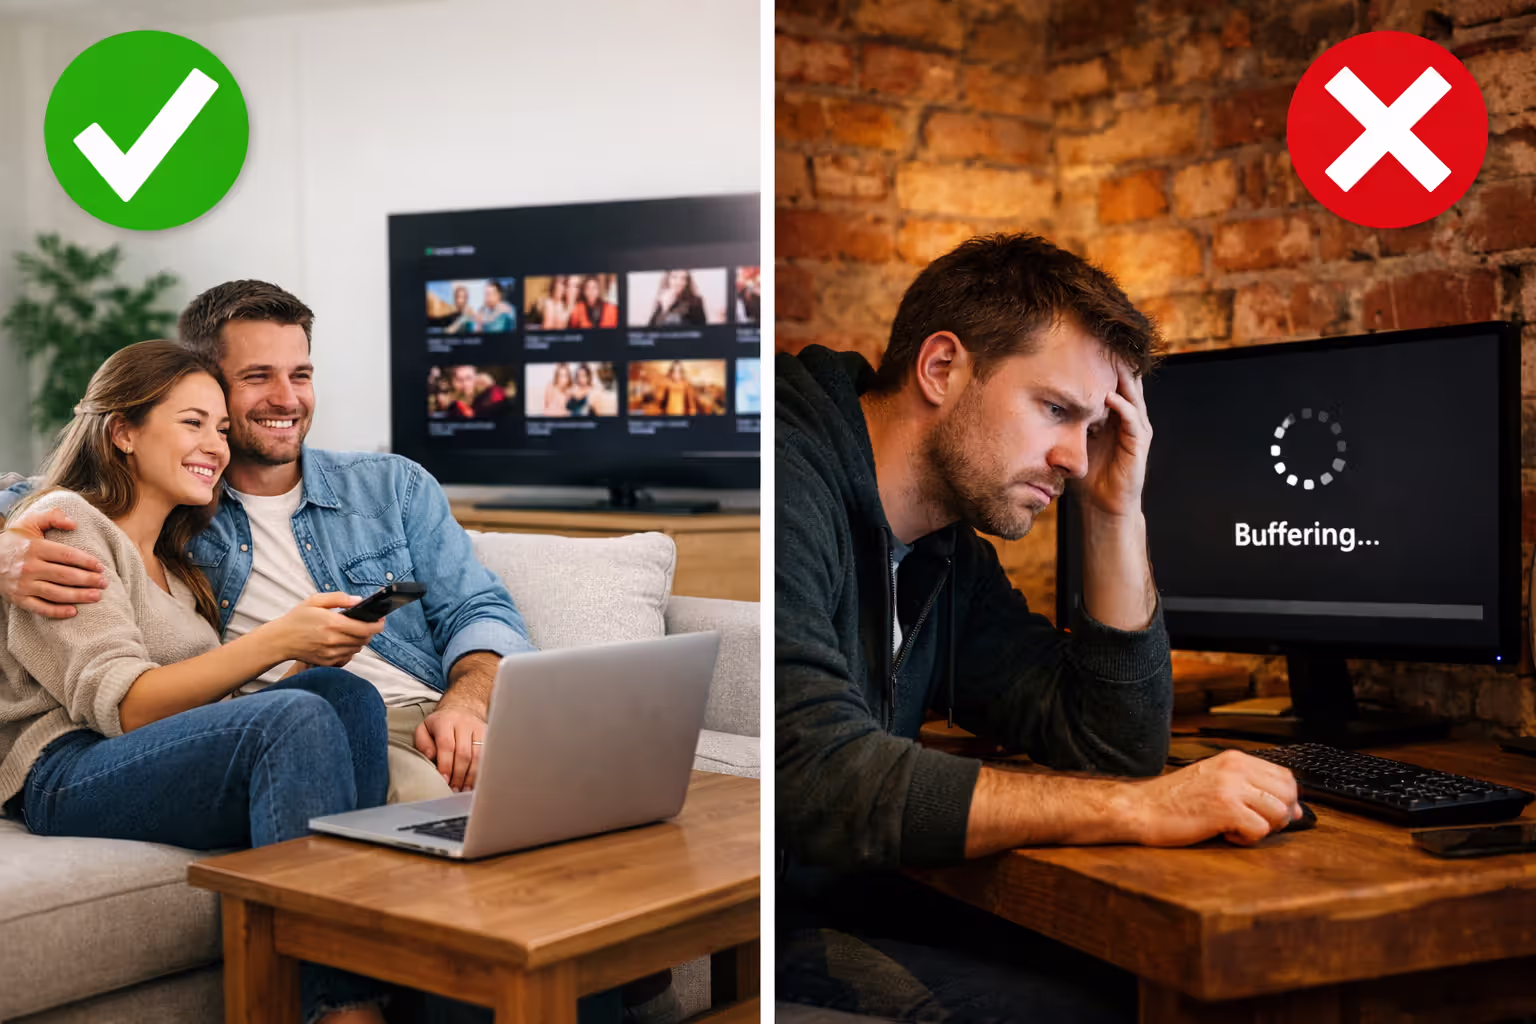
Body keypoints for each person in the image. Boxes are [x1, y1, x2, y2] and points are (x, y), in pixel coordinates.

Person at [0, 282, 678, 1024]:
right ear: (189, 388)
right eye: (254, 379)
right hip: (90, 753)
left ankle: (614, 966)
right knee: (407, 790)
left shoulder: (332, 503)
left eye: (301, 374)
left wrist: (467, 698)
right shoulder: (146, 513)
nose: (283, 399)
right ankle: (342, 1008)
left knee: (579, 779)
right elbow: (53, 498)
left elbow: (477, 609)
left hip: (374, 711)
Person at [775, 234, 1303, 1023]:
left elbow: (1110, 745)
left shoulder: (943, 546)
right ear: (942, 369)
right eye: (1056, 410)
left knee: (1140, 988)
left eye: (1091, 426)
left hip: (845, 899)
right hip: (756, 929)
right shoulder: (785, 474)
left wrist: (1114, 515)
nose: (1076, 457)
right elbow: (815, 775)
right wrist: (1138, 810)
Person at [0, 340, 394, 1024]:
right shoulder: (66, 525)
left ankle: (365, 976)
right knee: (296, 715)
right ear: (122, 431)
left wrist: (308, 663)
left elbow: (208, 717)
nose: (215, 444)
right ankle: (336, 1009)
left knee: (344, 697)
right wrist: (279, 639)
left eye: (219, 427)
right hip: (62, 771)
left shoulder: (181, 571)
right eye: (191, 422)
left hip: (135, 755)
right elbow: (125, 706)